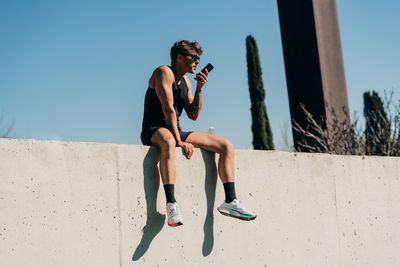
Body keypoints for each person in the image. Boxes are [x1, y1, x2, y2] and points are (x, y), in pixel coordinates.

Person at [141, 40, 256, 227]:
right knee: (169, 142)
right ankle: (171, 205)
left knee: (225, 146)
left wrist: (200, 89)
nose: (197, 62)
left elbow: (193, 115)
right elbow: (168, 109)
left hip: (174, 130)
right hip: (154, 129)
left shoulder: (186, 81)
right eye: (194, 58)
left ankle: (230, 201)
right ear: (179, 58)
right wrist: (179, 141)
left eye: (199, 58)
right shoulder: (163, 72)